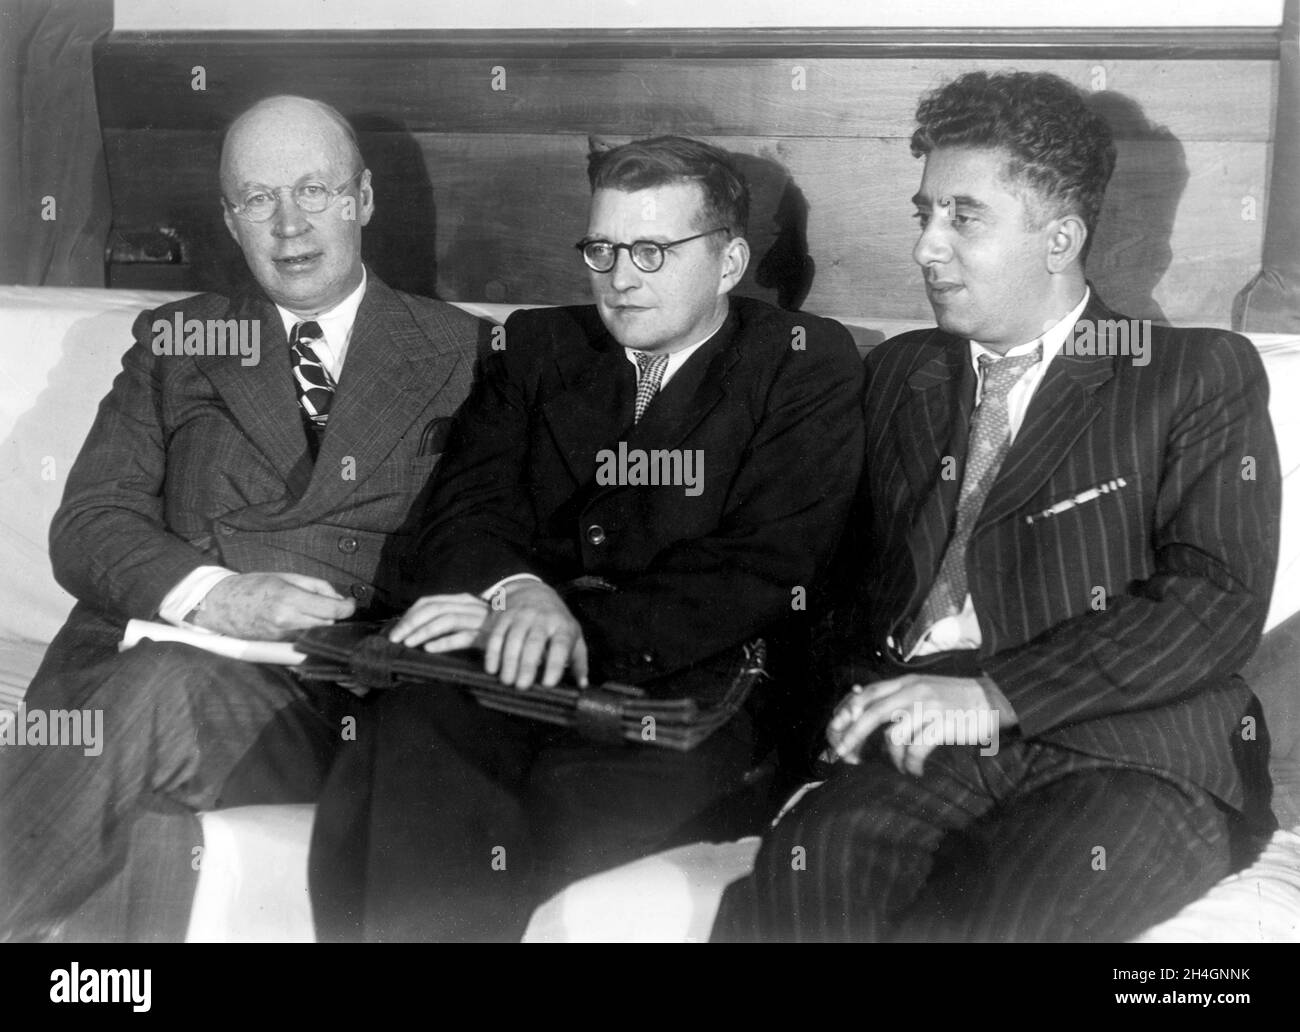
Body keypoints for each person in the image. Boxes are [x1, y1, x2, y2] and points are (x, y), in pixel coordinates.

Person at [712, 70, 1282, 943]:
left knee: (991, 927)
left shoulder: (1191, 373)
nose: (926, 248)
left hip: (1128, 754)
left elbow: (1215, 601)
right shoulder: (903, 373)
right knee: (805, 889)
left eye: (962, 217)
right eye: (924, 214)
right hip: (926, 741)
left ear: (1061, 239)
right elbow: (823, 568)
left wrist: (996, 694)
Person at [308, 135, 866, 941]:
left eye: (651, 249)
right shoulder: (538, 348)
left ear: (731, 260)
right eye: (602, 249)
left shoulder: (801, 365)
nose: (620, 277)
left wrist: (560, 625)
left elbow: (769, 567)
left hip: (691, 694)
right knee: (410, 739)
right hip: (508, 671)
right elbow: (461, 509)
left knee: (543, 810)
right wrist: (517, 593)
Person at [0, 95, 491, 942]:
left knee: (162, 694)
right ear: (230, 219)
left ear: (362, 200)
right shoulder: (181, 340)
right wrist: (216, 595)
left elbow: (501, 546)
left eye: (315, 191)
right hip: (147, 652)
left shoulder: (464, 354)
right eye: (259, 198)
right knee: (155, 803)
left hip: (326, 693)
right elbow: (90, 521)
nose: (290, 225)